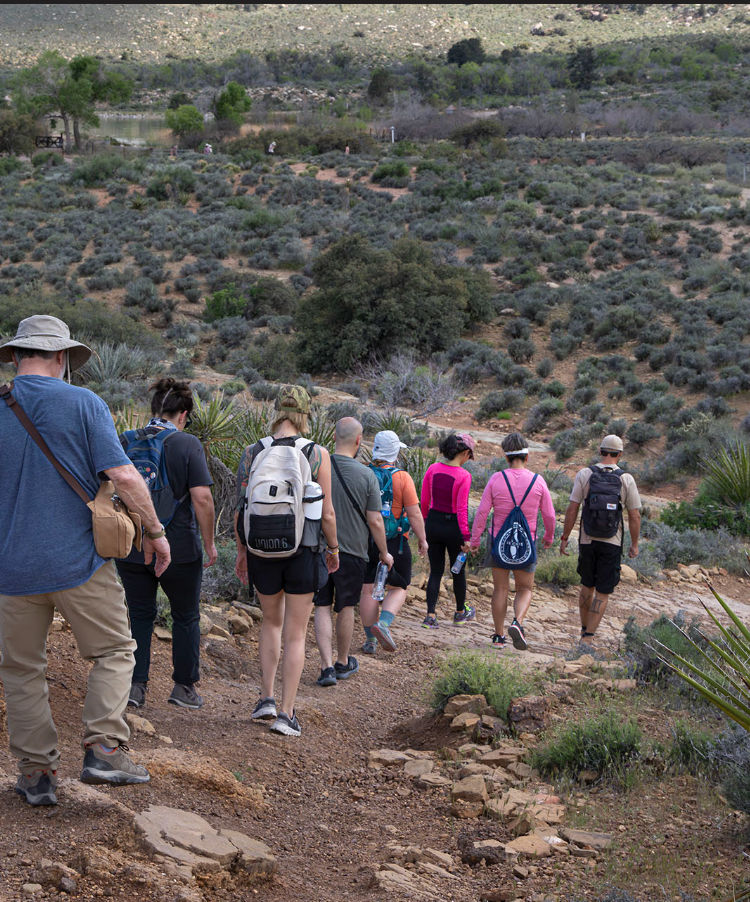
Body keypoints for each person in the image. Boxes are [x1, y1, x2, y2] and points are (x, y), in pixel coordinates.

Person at [0, 315, 171, 806]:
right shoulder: (84, 403)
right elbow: (125, 476)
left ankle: (36, 775)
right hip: (79, 561)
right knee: (116, 651)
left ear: (15, 356)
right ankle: (103, 749)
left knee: (22, 669)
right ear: (62, 357)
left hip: (12, 569)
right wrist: (156, 534)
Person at [234, 386, 338, 737]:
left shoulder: (252, 452)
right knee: (296, 634)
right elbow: (327, 513)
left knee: (270, 624)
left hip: (262, 551)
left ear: (277, 412)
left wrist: (242, 552)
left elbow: (240, 510)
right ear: (305, 415)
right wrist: (334, 549)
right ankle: (287, 713)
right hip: (302, 552)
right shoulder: (317, 454)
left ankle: (264, 698)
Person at [116, 378, 217, 712]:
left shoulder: (125, 440)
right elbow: (202, 498)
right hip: (180, 547)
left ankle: (135, 687)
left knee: (140, 615)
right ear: (183, 414)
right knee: (186, 616)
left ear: (154, 409)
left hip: (131, 544)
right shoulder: (188, 444)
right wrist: (210, 542)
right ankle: (183, 687)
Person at [313, 418, 393, 686]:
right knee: (345, 606)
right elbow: (375, 520)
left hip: (319, 549)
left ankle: (325, 667)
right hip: (353, 553)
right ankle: (343, 661)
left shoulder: (316, 467)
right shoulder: (366, 475)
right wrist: (384, 552)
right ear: (359, 441)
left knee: (321, 605)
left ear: (334, 436)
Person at [470, 432, 555, 650]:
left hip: (499, 541)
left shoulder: (497, 479)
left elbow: (482, 512)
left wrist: (475, 539)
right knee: (525, 588)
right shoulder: (538, 481)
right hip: (527, 542)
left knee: (500, 589)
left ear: (506, 457)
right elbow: (549, 515)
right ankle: (517, 622)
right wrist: (548, 538)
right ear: (527, 457)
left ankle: (498, 635)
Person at [559, 434, 641, 644]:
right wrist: (634, 543)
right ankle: (589, 637)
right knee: (603, 592)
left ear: (600, 451)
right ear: (619, 454)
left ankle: (584, 629)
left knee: (587, 585)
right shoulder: (626, 479)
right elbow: (634, 515)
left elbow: (573, 507)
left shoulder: (585, 474)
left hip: (587, 540)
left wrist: (565, 536)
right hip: (612, 542)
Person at [360, 430, 428, 655]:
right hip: (395, 540)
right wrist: (423, 540)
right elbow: (415, 513)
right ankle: (384, 624)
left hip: (366, 539)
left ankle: (370, 640)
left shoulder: (364, 473)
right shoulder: (402, 477)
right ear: (395, 451)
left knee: (368, 589)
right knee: (399, 586)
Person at [420, 432, 476, 628]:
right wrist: (466, 536)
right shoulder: (464, 476)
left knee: (435, 571)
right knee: (457, 571)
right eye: (470, 456)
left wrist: (426, 524)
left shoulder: (433, 469)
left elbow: (425, 500)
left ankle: (430, 615)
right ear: (465, 453)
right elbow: (462, 509)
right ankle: (460, 612)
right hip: (453, 527)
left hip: (433, 523)